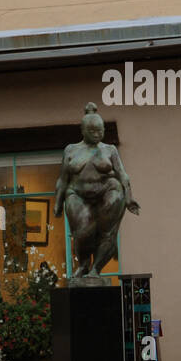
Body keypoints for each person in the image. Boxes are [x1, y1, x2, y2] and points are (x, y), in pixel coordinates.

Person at [55, 103, 139, 280]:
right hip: (77, 192)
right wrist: (57, 203)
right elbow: (62, 179)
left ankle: (96, 269)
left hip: (107, 190)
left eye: (100, 131)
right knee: (83, 231)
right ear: (83, 131)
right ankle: (84, 264)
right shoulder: (71, 150)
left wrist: (129, 198)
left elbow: (123, 175)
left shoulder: (110, 150)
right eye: (93, 131)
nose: (97, 135)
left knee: (107, 232)